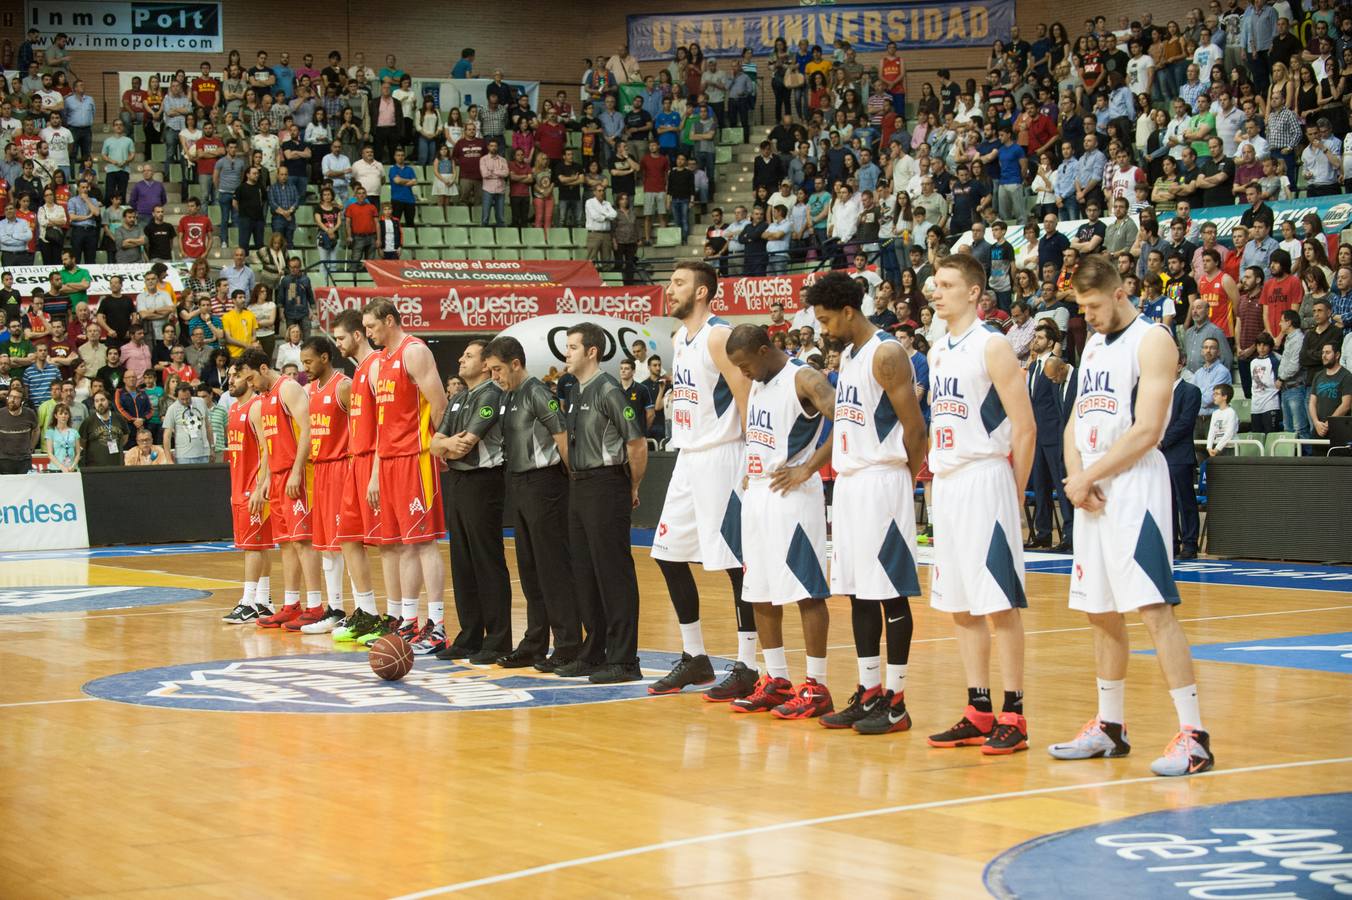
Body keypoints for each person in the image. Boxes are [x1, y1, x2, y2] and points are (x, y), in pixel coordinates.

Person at [1051, 255, 1214, 777]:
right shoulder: (1093, 344)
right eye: (1082, 309)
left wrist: (1090, 475)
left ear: (1121, 292)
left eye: (1094, 306)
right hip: (1093, 489)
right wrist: (1078, 477)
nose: (1088, 317)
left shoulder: (1154, 340)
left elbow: (1148, 431)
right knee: (1100, 610)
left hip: (1135, 487)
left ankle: (1194, 736)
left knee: (1152, 608)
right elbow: (1076, 417)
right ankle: (1110, 726)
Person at [915, 254, 1037, 755]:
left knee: (998, 603)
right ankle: (979, 708)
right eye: (934, 283)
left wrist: (1014, 493)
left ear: (973, 292)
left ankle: (1015, 713)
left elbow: (1025, 427)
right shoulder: (938, 348)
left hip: (987, 479)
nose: (934, 291)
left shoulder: (993, 344)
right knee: (961, 606)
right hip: (948, 483)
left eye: (945, 284)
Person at [801, 271, 928, 734]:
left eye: (827, 319)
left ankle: (897, 701)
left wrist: (902, 479)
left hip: (882, 482)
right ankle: (869, 691)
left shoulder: (887, 353)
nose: (823, 329)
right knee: (856, 591)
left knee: (889, 591)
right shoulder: (850, 356)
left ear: (850, 312)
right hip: (852, 484)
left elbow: (915, 429)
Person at [646, 261, 756, 699]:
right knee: (667, 554)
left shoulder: (719, 335)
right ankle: (697, 658)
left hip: (724, 456)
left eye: (677, 283)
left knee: (735, 564)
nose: (668, 289)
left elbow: (747, 394)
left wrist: (753, 458)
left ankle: (747, 663)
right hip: (688, 456)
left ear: (703, 292)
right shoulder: (678, 338)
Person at [718, 325, 835, 717]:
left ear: (765, 350)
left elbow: (850, 420)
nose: (743, 373)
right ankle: (777, 679)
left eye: (745, 364)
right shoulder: (759, 382)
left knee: (805, 591)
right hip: (758, 495)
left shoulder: (804, 377)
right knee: (760, 590)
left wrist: (810, 467)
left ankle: (816, 686)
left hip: (792, 496)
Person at [482, 336, 581, 671]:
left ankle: (568, 644)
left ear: (515, 363)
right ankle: (535, 643)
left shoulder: (537, 392)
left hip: (546, 484)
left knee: (553, 568)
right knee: (530, 569)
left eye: (497, 369)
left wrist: (573, 480)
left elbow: (562, 436)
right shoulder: (508, 396)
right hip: (520, 484)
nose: (494, 376)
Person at [560, 321, 648, 683]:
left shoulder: (609, 389)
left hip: (606, 483)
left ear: (592, 351)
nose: (566, 353)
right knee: (584, 572)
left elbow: (637, 443)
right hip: (579, 487)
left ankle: (625, 659)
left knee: (613, 572)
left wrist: (632, 486)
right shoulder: (575, 390)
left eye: (572, 347)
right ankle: (593, 651)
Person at [361, 299, 448, 648]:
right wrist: (376, 473)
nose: (368, 333)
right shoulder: (379, 362)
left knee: (424, 542)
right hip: (391, 461)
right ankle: (410, 620)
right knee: (404, 545)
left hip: (416, 457)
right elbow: (384, 425)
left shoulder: (414, 352)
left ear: (390, 321)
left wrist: (437, 449)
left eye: (371, 326)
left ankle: (437, 624)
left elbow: (440, 405)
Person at [429, 340, 510, 664]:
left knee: (486, 560)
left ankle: (499, 638)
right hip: (459, 482)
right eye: (461, 355)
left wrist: (445, 444)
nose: (461, 359)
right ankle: (470, 635)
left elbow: (466, 444)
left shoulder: (490, 393)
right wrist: (446, 444)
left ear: (486, 363)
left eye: (469, 356)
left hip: (483, 481)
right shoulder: (460, 397)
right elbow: (435, 444)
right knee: (462, 562)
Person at [237, 348, 327, 631]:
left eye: (251, 378)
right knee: (286, 543)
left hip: (295, 473)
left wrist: (298, 470)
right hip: (276, 476)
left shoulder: (288, 388)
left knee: (303, 540)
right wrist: (263, 481)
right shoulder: (263, 400)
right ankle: (291, 604)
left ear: (264, 368)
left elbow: (309, 429)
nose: (250, 385)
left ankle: (315, 606)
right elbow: (265, 448)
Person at [294, 334, 376, 634]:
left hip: (343, 467)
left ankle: (362, 610)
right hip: (321, 471)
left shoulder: (343, 386)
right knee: (326, 545)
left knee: (348, 542)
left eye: (309, 361)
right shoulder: (309, 390)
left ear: (325, 358)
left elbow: (365, 421)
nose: (305, 367)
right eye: (302, 362)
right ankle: (335, 609)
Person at [328, 309, 398, 645]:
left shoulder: (375, 367)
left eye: (340, 338)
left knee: (387, 544)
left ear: (358, 335)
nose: (337, 344)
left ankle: (398, 616)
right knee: (348, 538)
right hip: (355, 462)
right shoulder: (357, 373)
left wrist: (374, 473)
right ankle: (366, 611)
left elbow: (386, 425)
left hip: (373, 462)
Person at [220, 364, 276, 624]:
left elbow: (268, 449)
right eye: (229, 376)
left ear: (249, 379)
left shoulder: (255, 407)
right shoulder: (233, 408)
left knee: (253, 547)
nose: (231, 380)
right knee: (259, 545)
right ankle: (263, 601)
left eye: (236, 376)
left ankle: (249, 601)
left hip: (252, 488)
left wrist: (260, 485)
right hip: (238, 486)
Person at [1026, 322, 1076, 552]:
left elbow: (1058, 406)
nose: (1035, 340)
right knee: (1040, 487)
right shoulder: (1033, 366)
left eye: (1040, 337)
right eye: (1034, 336)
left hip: (1054, 435)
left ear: (1051, 342)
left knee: (1060, 486)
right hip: (1036, 436)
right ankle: (1043, 533)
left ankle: (1069, 535)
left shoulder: (1053, 365)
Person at [1161, 349, 1203, 560]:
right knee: (1166, 502)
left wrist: (1161, 441)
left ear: (1181, 364)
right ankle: (1171, 542)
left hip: (1179, 454)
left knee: (1185, 500)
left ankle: (1189, 543)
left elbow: (1185, 423)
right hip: (1160, 456)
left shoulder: (1191, 391)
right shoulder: (1158, 391)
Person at [1309, 342, 1352, 440]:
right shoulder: (1318, 375)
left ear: (1337, 355)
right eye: (1323, 353)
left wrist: (1328, 423)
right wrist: (1316, 423)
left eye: (1328, 353)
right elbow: (1312, 402)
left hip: (1338, 429)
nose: (1324, 356)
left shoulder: (1346, 376)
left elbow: (1346, 405)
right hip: (1318, 428)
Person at [162, 381, 213, 464]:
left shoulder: (201, 402)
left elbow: (208, 426)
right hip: (183, 456)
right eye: (182, 399)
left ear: (192, 395)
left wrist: (212, 448)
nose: (185, 401)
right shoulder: (172, 409)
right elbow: (166, 436)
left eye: (187, 398)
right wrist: (168, 459)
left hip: (204, 453)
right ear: (177, 396)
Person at [0, 384, 38, 473]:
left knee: (25, 486)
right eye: (11, 397)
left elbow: (36, 430)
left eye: (16, 398)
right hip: (4, 460)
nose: (12, 400)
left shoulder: (30, 414)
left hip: (24, 460)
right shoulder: (0, 414)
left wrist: (32, 447)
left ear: (22, 401)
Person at [1206, 384, 1238, 456]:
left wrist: (1217, 449)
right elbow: (1212, 431)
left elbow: (1229, 433)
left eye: (1217, 394)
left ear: (1225, 397)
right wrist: (1209, 447)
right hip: (1216, 447)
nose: (1214, 396)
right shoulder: (1215, 413)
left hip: (1229, 448)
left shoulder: (1231, 412)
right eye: (1213, 394)